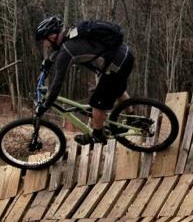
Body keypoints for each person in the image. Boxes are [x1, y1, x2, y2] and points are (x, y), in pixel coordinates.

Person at [34, 15, 134, 146]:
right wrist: (49, 61)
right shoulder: (70, 34)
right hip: (124, 55)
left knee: (96, 102)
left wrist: (46, 105)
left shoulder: (66, 50)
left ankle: (97, 134)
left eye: (44, 41)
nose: (44, 44)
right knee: (118, 89)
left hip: (117, 65)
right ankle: (133, 117)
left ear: (52, 36)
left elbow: (57, 83)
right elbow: (64, 52)